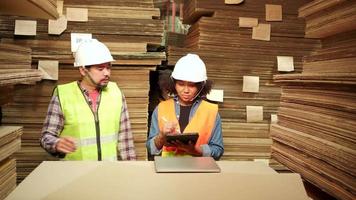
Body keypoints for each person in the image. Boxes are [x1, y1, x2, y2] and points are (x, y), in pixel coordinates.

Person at [40, 39, 136, 161]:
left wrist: (131, 169)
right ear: (83, 70)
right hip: (74, 175)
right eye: (100, 69)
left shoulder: (116, 93)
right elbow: (46, 136)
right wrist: (56, 143)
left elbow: (125, 141)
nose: (107, 73)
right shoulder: (63, 94)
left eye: (108, 67)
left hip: (107, 173)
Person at [146, 53, 224, 160]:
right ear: (173, 83)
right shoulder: (161, 109)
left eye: (191, 85)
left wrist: (197, 150)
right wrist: (161, 136)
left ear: (201, 86)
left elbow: (218, 150)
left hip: (199, 172)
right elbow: (151, 148)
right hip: (169, 170)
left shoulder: (211, 112)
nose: (186, 90)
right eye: (181, 84)